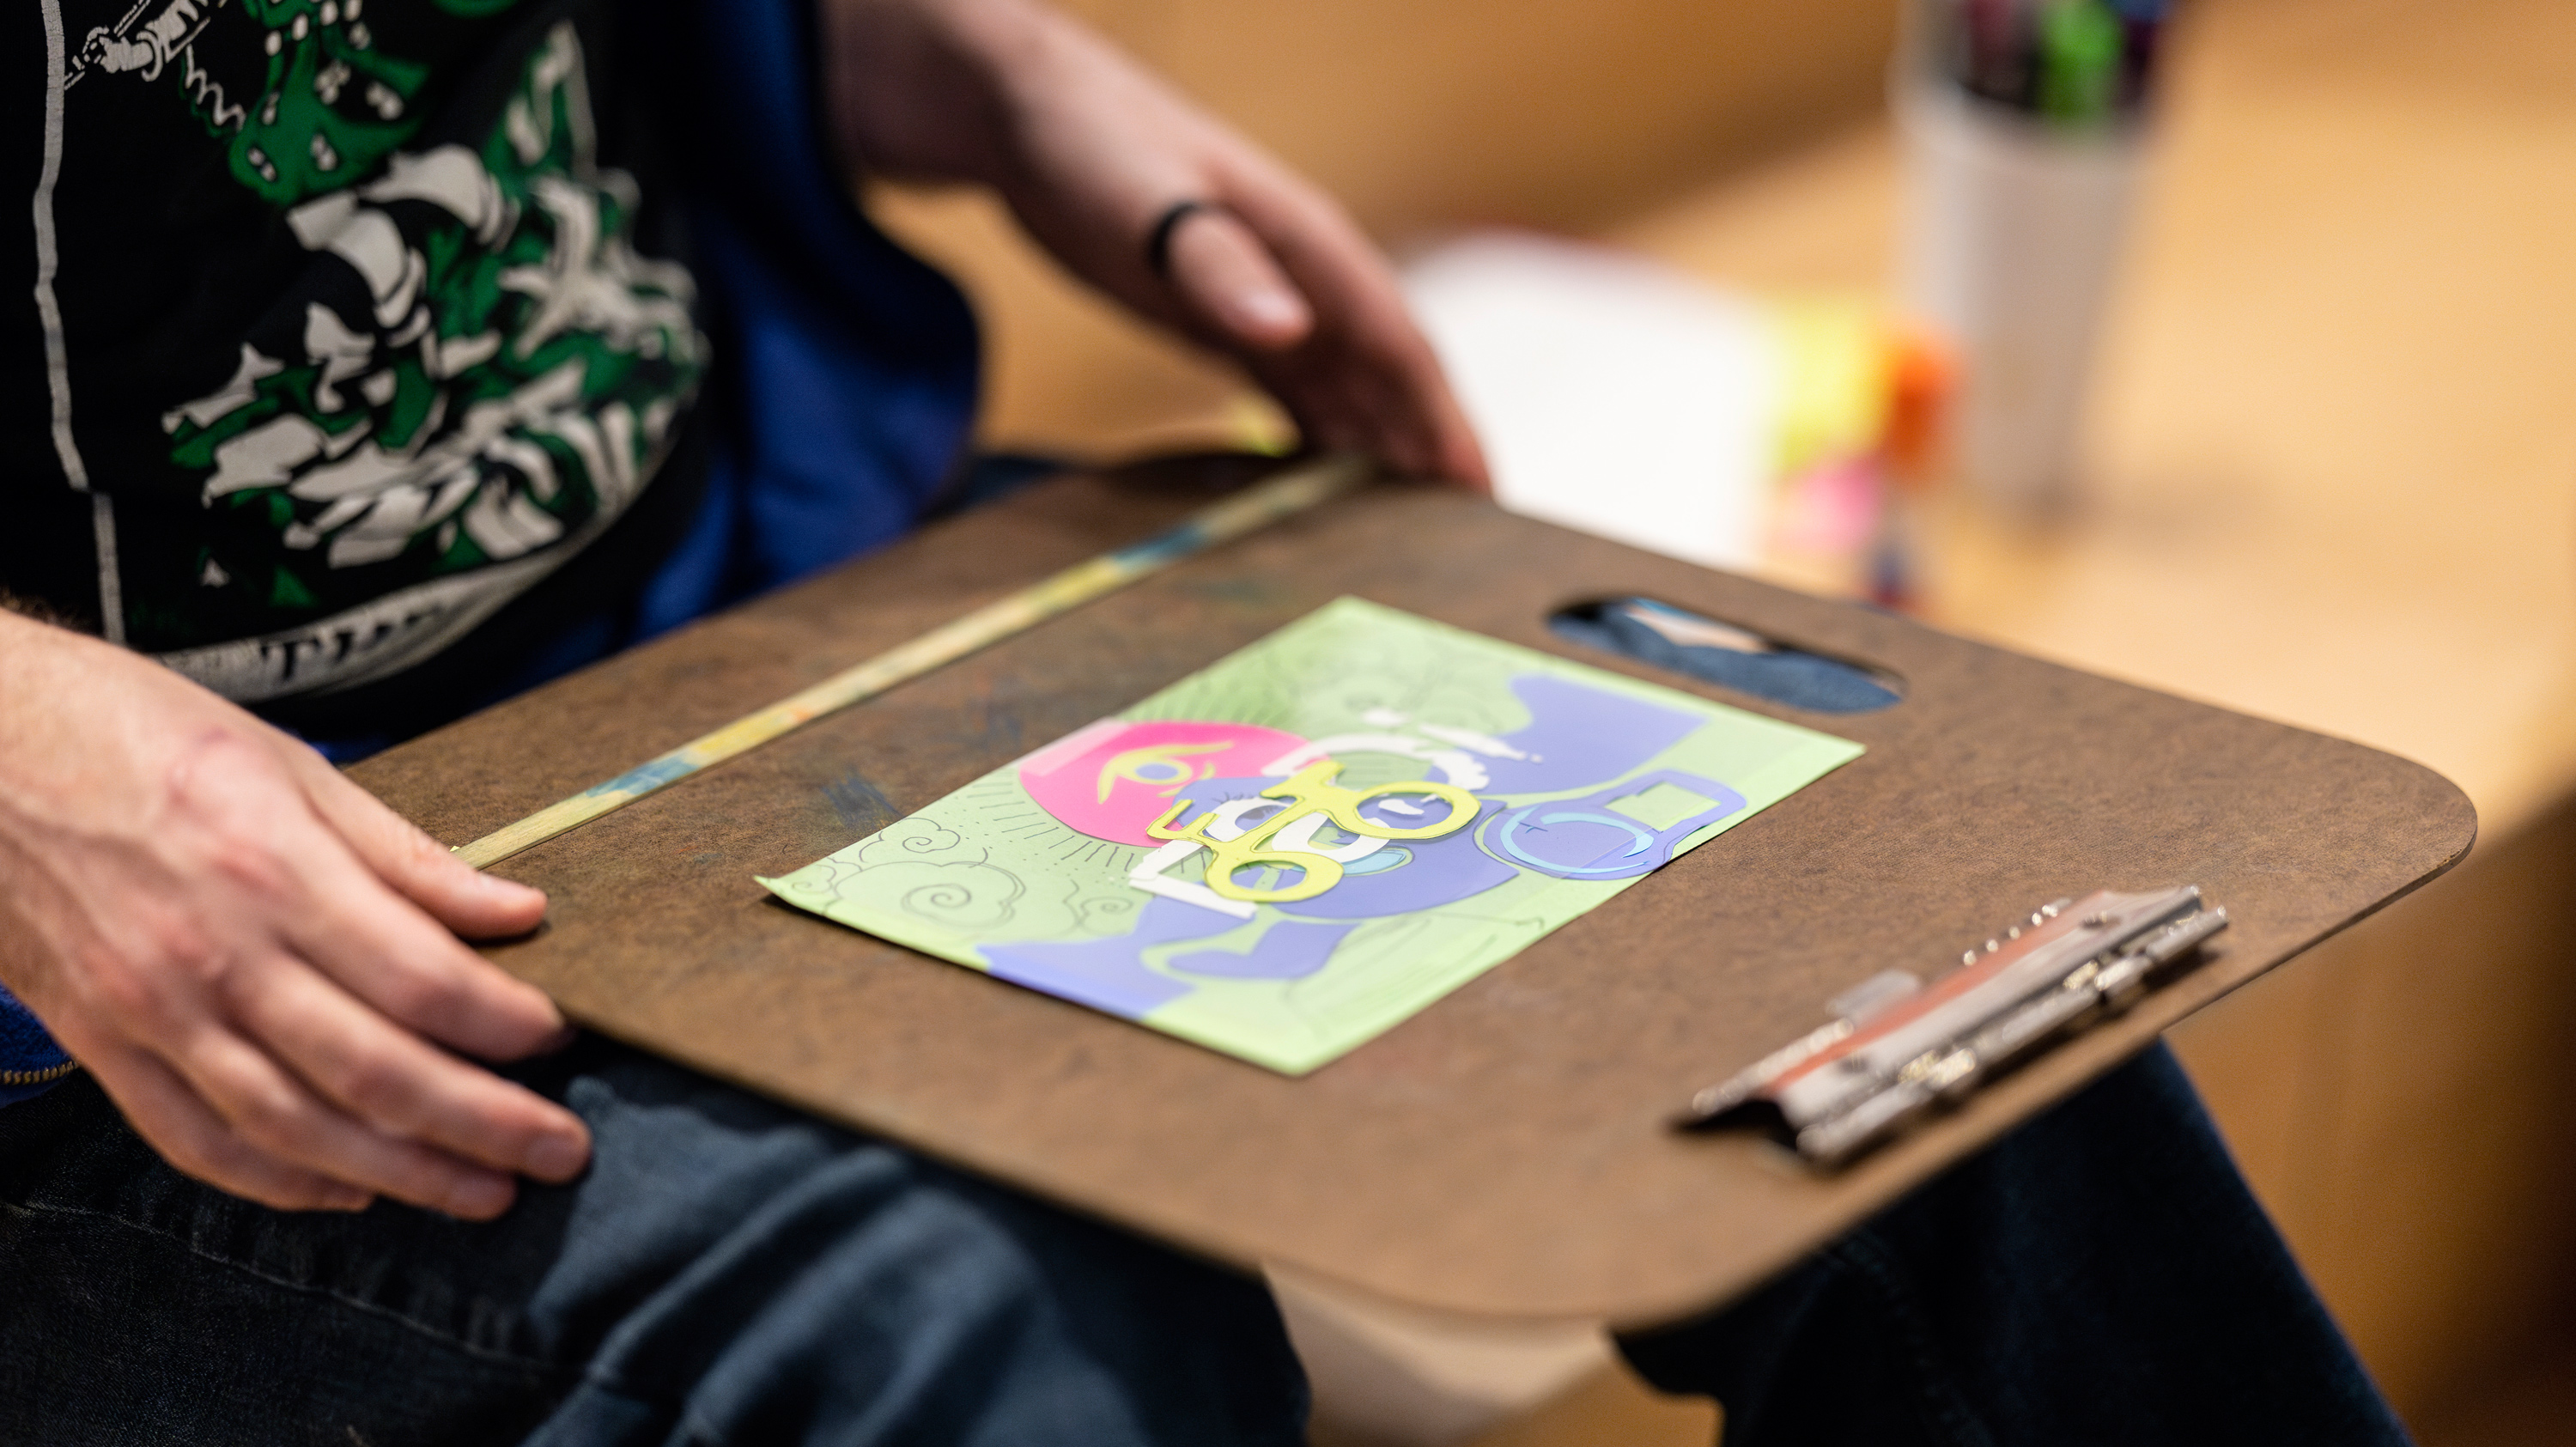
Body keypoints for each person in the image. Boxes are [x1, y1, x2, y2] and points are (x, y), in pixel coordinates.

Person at [0, 1, 2412, 1443]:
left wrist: (992, 74)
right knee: (979, 1314)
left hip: (737, 632)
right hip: (103, 966)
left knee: (1891, 919)